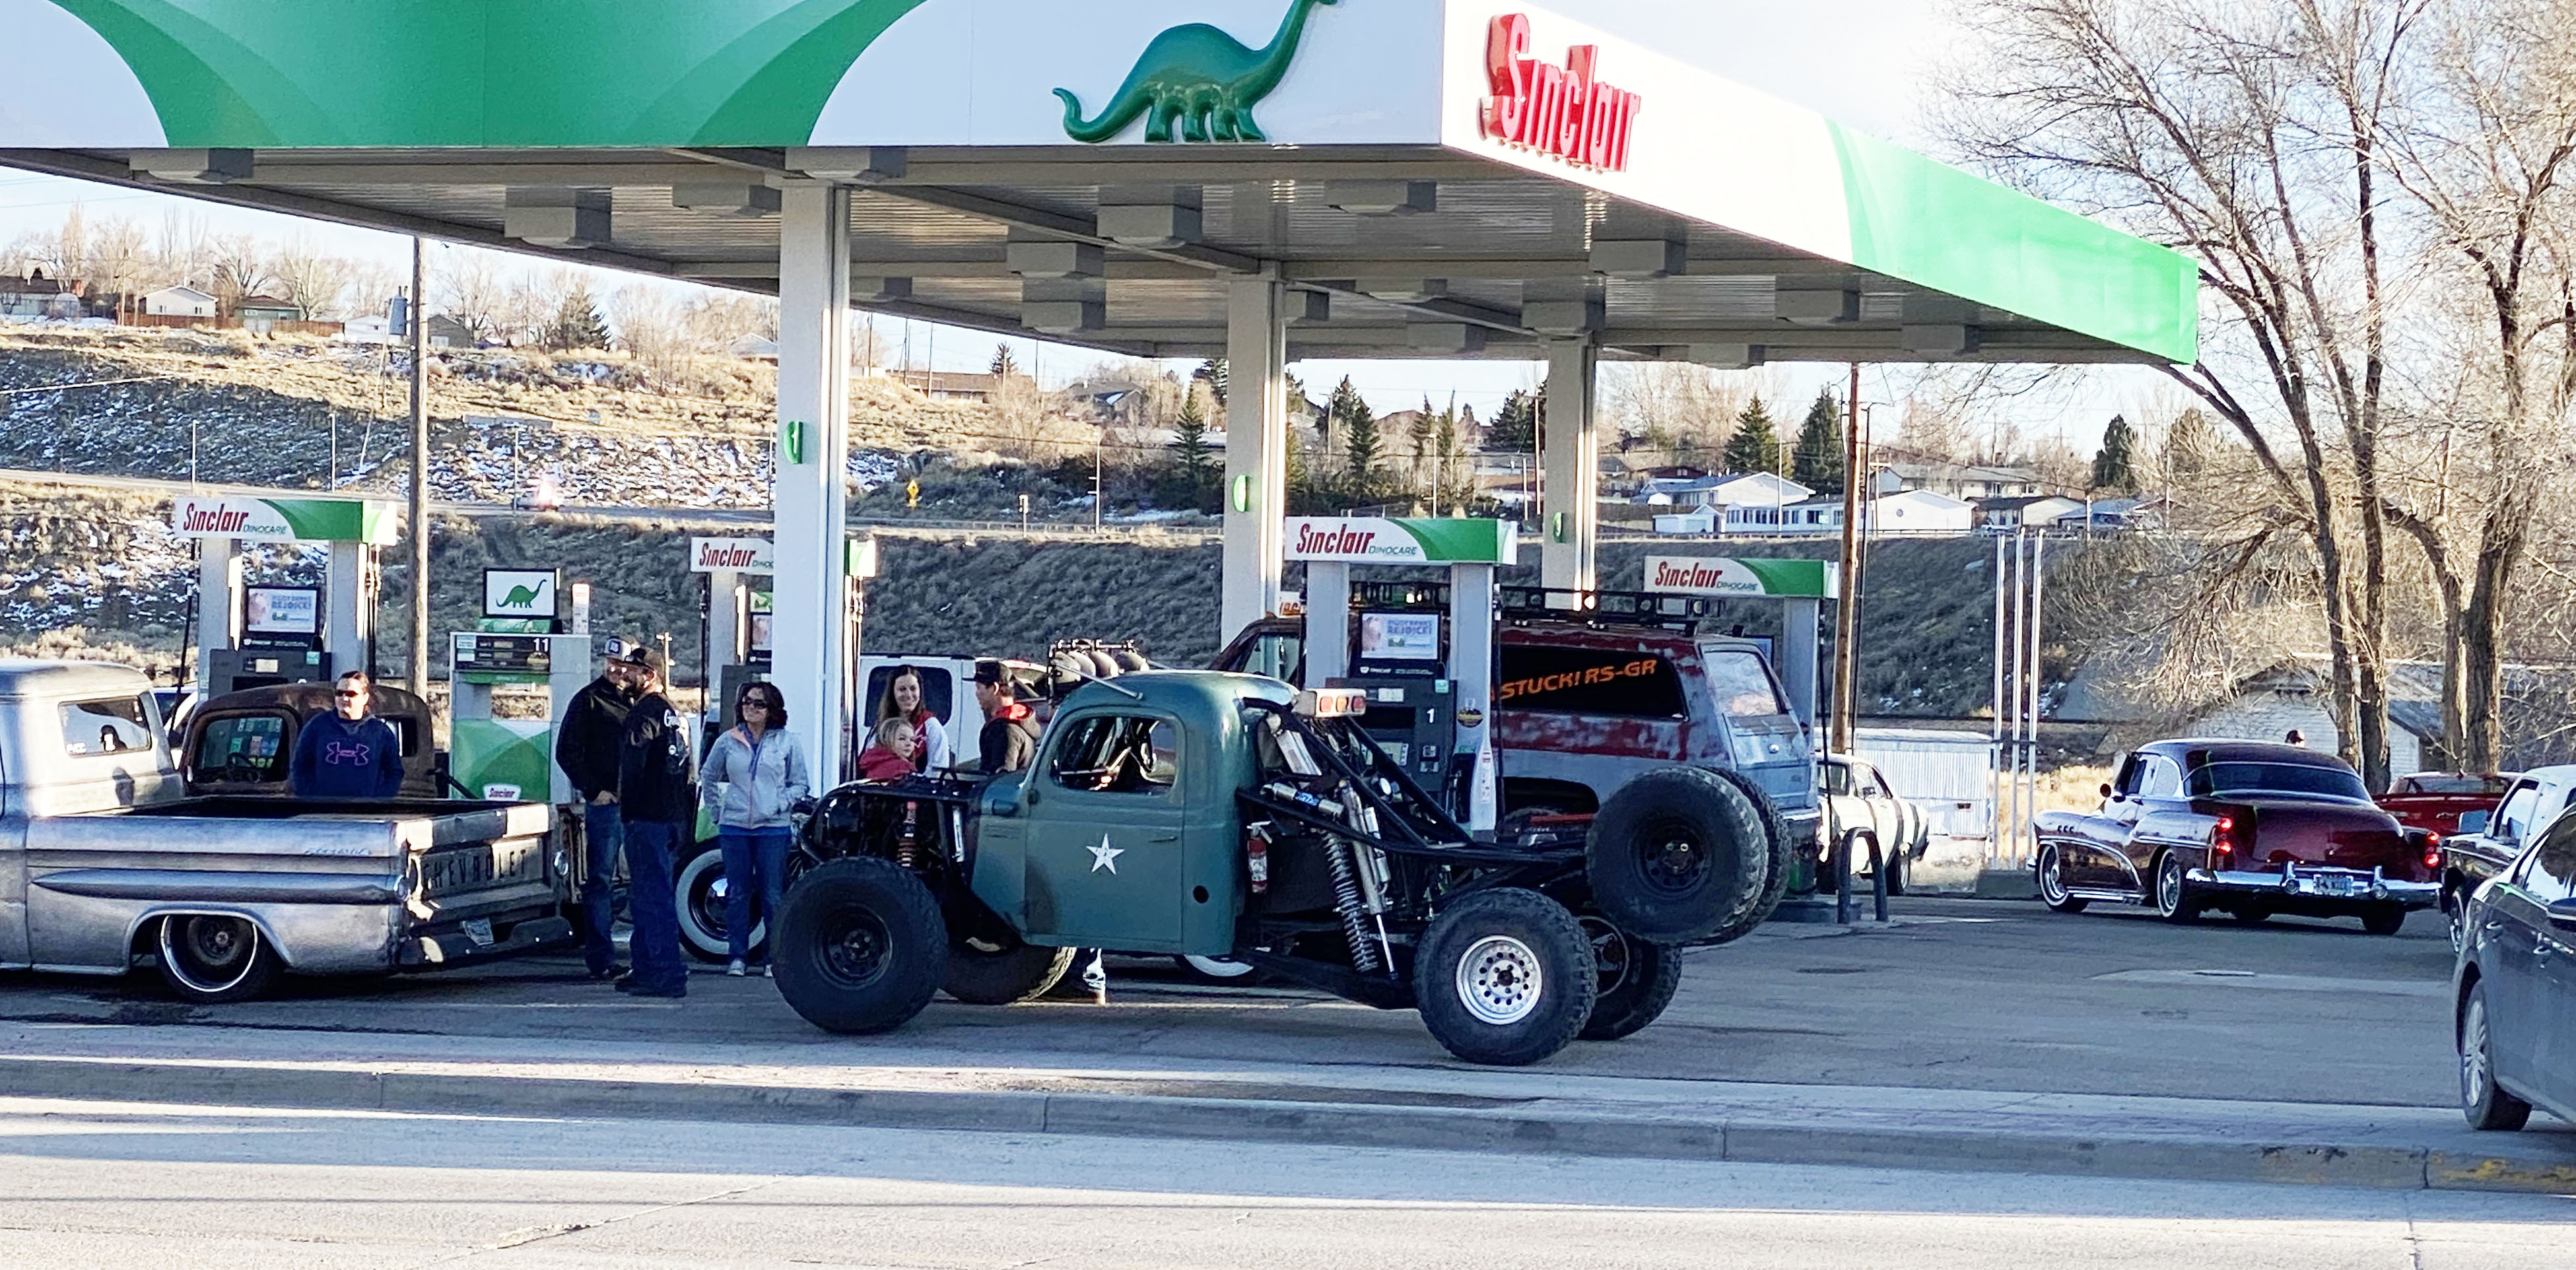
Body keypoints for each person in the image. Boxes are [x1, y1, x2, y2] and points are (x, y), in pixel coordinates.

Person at [698, 681, 810, 978]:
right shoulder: (727, 740)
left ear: (772, 709)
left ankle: (775, 958)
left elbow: (800, 783)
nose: (751, 708)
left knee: (773, 894)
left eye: (759, 703)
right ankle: (738, 956)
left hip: (773, 828)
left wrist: (779, 805)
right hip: (735, 827)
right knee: (737, 893)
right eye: (747, 702)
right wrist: (718, 811)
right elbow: (707, 775)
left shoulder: (788, 742)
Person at [555, 637, 638, 982]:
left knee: (641, 880)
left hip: (640, 806)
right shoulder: (588, 699)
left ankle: (643, 955)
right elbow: (566, 751)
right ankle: (601, 958)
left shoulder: (642, 701)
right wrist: (594, 790)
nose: (615, 668)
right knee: (601, 879)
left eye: (622, 664)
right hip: (607, 806)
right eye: (610, 662)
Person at [613, 646, 693, 999]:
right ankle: (645, 967)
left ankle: (666, 972)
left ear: (650, 674)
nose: (623, 675)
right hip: (671, 816)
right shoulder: (674, 714)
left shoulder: (644, 714)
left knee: (652, 895)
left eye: (631, 670)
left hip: (647, 816)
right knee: (647, 893)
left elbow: (632, 769)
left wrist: (625, 808)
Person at [290, 670, 403, 799]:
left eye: (351, 694)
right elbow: (299, 766)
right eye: (339, 693)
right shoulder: (317, 726)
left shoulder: (380, 732)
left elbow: (394, 772)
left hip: (365, 813)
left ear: (365, 697)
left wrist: (378, 800)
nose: (344, 698)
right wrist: (310, 796)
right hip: (322, 812)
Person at [877, 666, 952, 772]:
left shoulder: (930, 726)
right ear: (892, 693)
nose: (908, 695)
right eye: (902, 689)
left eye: (913, 689)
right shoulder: (881, 725)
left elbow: (938, 769)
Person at [973, 659, 1040, 774]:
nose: (977, 693)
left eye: (979, 688)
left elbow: (1001, 779)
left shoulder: (1004, 729)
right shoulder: (1020, 723)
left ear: (995, 688)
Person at [857, 715, 920, 782]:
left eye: (912, 740)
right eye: (902, 739)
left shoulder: (870, 762)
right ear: (885, 739)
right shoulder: (902, 768)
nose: (909, 744)